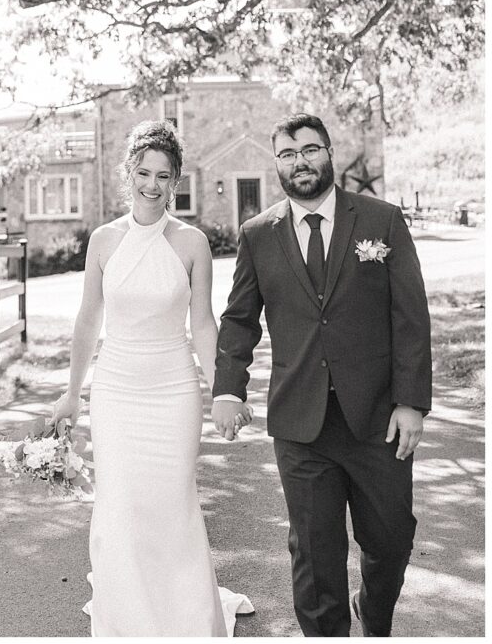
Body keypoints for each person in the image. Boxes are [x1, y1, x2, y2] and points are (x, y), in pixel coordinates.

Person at [212, 113, 432, 636]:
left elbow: (411, 316)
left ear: (328, 153)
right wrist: (226, 389)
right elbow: (240, 319)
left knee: (391, 539)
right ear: (277, 165)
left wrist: (411, 402)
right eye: (287, 155)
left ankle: (374, 613)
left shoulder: (381, 221)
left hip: (378, 418)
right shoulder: (258, 234)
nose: (300, 162)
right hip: (300, 423)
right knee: (314, 554)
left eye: (309, 150)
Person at [51, 121, 252, 636]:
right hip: (117, 389)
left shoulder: (192, 243)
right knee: (120, 503)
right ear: (129, 173)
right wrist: (71, 393)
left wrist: (223, 391)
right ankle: (129, 612)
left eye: (164, 176)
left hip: (173, 390)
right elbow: (87, 321)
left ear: (176, 181)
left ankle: (183, 613)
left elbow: (203, 324)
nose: (153, 185)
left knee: (171, 502)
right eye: (144, 172)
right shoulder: (103, 241)